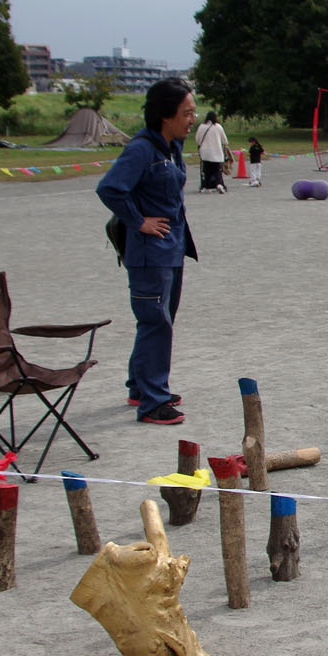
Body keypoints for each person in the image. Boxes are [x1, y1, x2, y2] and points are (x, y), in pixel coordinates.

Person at [97, 78, 199, 425]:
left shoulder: (172, 146)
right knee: (156, 322)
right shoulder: (141, 149)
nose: (192, 119)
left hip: (172, 248)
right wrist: (138, 221)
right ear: (165, 115)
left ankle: (141, 386)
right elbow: (110, 188)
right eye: (186, 113)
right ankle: (153, 402)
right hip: (149, 253)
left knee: (158, 322)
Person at [194, 110, 229, 193]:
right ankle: (219, 184)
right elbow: (225, 141)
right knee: (217, 170)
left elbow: (197, 140)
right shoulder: (218, 127)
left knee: (207, 170)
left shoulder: (201, 127)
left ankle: (207, 186)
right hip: (217, 152)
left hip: (205, 153)